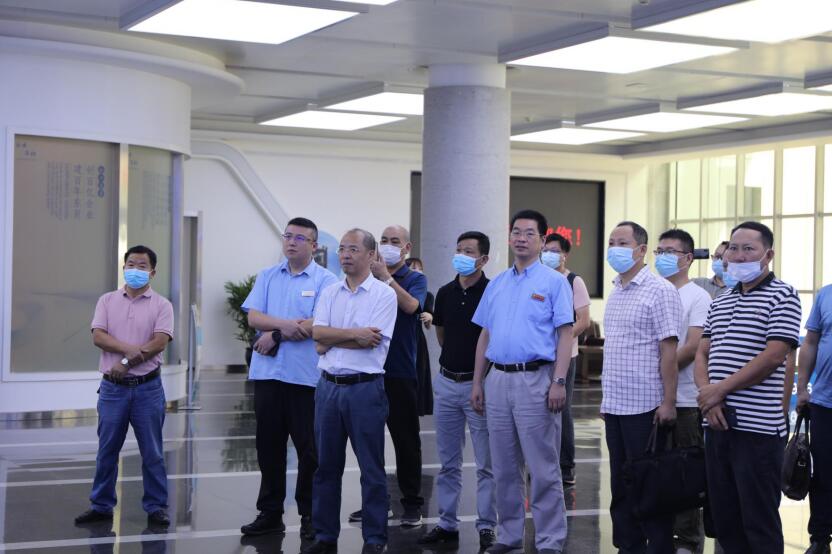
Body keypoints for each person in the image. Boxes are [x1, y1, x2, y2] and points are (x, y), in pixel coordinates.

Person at [471, 209, 574, 554]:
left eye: (530, 233)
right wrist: (477, 382)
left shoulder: (554, 282)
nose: (521, 238)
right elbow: (485, 336)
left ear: (542, 240)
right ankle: (509, 536)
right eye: (516, 232)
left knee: (543, 467)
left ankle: (549, 540)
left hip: (536, 379)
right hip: (498, 380)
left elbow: (565, 334)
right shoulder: (497, 283)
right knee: (503, 467)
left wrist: (559, 381)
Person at [695, 221, 801, 554]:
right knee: (725, 519)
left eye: (749, 249)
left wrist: (719, 390)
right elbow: (702, 353)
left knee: (758, 522)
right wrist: (709, 398)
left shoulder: (783, 295)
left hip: (758, 431)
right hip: (716, 424)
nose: (738, 256)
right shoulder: (721, 300)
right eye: (734, 249)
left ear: (768, 255)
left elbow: (774, 356)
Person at [239, 217, 338, 538]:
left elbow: (319, 322)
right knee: (268, 446)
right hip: (268, 375)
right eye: (288, 236)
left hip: (305, 379)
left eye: (299, 238)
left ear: (314, 245)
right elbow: (254, 317)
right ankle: (270, 512)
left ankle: (310, 514)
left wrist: (275, 334)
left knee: (310, 450)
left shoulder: (326, 280)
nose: (291, 242)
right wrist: (285, 327)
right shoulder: (267, 275)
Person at [303, 229, 397, 554]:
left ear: (371, 256)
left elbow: (372, 343)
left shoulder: (384, 295)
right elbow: (317, 337)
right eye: (342, 248)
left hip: (365, 390)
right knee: (326, 467)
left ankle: (375, 539)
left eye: (353, 249)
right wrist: (354, 334)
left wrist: (333, 337)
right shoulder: (330, 292)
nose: (345, 254)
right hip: (328, 388)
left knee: (371, 468)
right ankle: (325, 536)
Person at [75, 245, 174, 528]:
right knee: (107, 450)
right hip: (112, 389)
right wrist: (129, 352)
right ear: (123, 267)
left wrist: (127, 362)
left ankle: (156, 506)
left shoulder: (162, 305)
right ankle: (101, 505)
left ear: (152, 272)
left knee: (152, 452)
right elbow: (98, 336)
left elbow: (159, 342)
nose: (135, 270)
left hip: (148, 388)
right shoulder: (107, 301)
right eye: (131, 264)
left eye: (142, 266)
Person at [602, 221, 682, 554]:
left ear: (641, 249)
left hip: (646, 405)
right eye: (611, 242)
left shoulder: (660, 290)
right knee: (621, 485)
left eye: (622, 242)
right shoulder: (616, 290)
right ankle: (628, 546)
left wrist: (669, 401)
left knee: (649, 486)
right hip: (615, 405)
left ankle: (659, 547)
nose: (614, 248)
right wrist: (606, 401)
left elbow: (669, 351)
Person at [417, 231, 497, 550]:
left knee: (486, 464)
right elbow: (441, 334)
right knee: (448, 462)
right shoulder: (445, 292)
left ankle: (487, 525)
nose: (461, 256)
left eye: (469, 251)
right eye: (459, 249)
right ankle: (447, 523)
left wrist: (478, 379)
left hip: (481, 387)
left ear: (483, 259)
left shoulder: (492, 292)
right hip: (447, 384)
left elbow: (493, 339)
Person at [347, 225, 426, 527]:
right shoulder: (366, 277)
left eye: (395, 241)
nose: (389, 245)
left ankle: (412, 504)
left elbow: (412, 306)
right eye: (384, 240)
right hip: (368, 371)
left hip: (400, 371)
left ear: (407, 248)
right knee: (368, 442)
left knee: (406, 441)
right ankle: (376, 502)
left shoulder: (414, 278)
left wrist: (387, 278)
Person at [654, 228, 712, 554]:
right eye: (659, 251)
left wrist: (655, 370)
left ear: (688, 258)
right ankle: (660, 535)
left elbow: (692, 347)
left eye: (670, 251)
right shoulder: (653, 292)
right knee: (656, 471)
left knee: (685, 471)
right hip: (651, 397)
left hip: (686, 399)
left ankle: (687, 540)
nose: (662, 257)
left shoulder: (698, 297)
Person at [541, 232, 591, 487]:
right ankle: (542, 464)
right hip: (540, 356)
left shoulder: (573, 281)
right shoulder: (539, 278)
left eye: (554, 251)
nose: (548, 255)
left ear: (564, 255)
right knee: (540, 411)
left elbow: (584, 320)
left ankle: (565, 466)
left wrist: (564, 339)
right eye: (545, 250)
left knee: (562, 409)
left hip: (565, 355)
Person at [797, 283, 832, 554]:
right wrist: (802, 389)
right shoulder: (826, 294)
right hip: (824, 402)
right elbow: (810, 342)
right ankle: (820, 539)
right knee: (822, 474)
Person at [405, 257, 434, 417]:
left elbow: (429, 321)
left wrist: (429, 317)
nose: (417, 271)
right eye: (412, 268)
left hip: (417, 339)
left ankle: (417, 408)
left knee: (418, 374)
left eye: (419, 268)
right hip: (402, 339)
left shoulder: (427, 295)